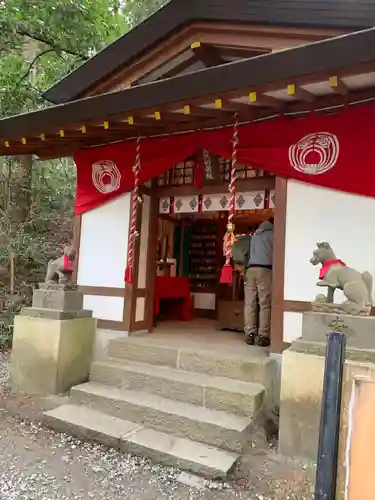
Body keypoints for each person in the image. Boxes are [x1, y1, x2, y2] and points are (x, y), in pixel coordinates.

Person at [244, 217, 274, 347]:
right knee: (264, 303)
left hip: (251, 269)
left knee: (249, 302)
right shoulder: (273, 234)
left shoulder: (254, 235)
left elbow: (246, 253)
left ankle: (249, 334)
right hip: (265, 269)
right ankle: (263, 335)